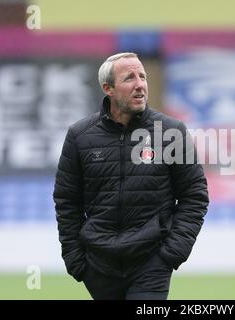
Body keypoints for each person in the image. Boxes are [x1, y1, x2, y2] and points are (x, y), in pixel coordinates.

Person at [53, 52, 209, 300]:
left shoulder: (171, 132)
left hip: (151, 265)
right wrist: (76, 261)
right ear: (108, 89)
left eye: (142, 76)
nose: (140, 85)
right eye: (129, 78)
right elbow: (66, 201)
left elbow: (194, 196)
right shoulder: (79, 136)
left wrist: (171, 254)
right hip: (98, 267)